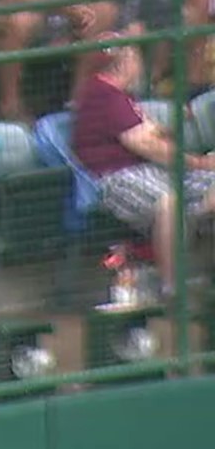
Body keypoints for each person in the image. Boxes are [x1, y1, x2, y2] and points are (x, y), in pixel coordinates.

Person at [73, 40, 215, 298]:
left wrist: (173, 125)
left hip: (151, 170)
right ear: (125, 63)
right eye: (137, 59)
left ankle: (194, 216)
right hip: (118, 177)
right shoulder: (103, 94)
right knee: (168, 203)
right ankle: (172, 286)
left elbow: (148, 132)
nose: (140, 66)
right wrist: (198, 162)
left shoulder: (121, 96)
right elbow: (145, 144)